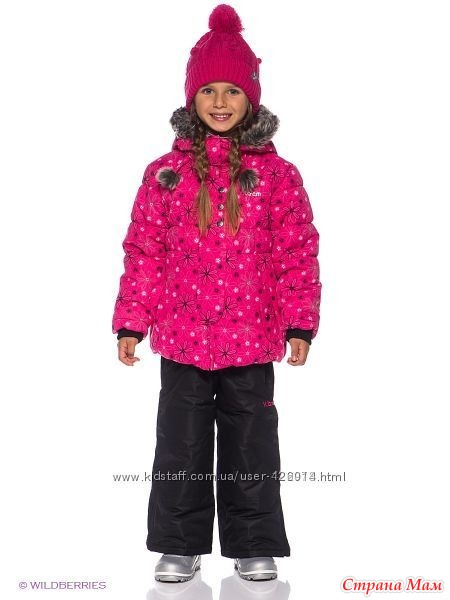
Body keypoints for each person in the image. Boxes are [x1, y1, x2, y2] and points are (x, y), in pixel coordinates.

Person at [112, 3, 321, 583]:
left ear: (251, 99)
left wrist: (300, 323)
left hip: (252, 338)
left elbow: (297, 252)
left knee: (251, 445)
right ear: (192, 98)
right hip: (183, 338)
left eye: (233, 91)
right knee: (180, 445)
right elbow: (145, 251)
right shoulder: (165, 174)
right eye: (209, 91)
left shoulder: (277, 177)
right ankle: (179, 544)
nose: (221, 102)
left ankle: (254, 542)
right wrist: (132, 321)